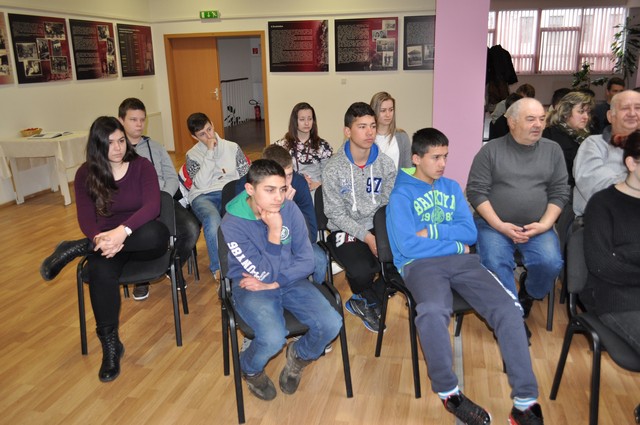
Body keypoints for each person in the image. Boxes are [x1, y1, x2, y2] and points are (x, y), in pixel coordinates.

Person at [387, 127, 543, 425]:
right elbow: (408, 245)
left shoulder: (451, 187)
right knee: (432, 312)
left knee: (509, 308)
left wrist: (435, 231)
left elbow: (470, 233)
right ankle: (450, 393)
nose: (443, 164)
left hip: (462, 262)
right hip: (420, 265)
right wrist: (455, 242)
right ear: (416, 158)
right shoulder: (401, 195)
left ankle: (525, 402)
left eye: (445, 156)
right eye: (435, 157)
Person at [40, 117, 169, 382]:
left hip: (140, 238)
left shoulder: (141, 166)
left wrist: (122, 232)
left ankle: (80, 247)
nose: (118, 148)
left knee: (157, 233)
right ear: (98, 145)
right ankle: (111, 347)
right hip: (105, 245)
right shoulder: (85, 174)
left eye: (121, 141)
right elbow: (86, 219)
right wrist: (100, 239)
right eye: (110, 143)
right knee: (99, 272)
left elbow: (152, 207)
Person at [220, 159, 342, 401]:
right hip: (251, 287)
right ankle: (250, 369)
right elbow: (263, 273)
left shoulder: (289, 208)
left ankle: (298, 357)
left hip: (289, 279)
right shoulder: (232, 224)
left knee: (332, 323)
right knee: (273, 338)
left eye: (282, 189)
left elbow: (308, 261)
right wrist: (275, 232)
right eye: (270, 190)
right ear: (250, 189)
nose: (279, 197)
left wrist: (276, 282)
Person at [467, 98, 570, 319]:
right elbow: (476, 192)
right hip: (493, 226)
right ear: (512, 122)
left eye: (542, 119)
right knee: (495, 262)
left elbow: (560, 192)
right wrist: (500, 225)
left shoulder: (553, 150)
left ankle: (529, 294)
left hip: (537, 226)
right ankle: (511, 315)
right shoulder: (490, 151)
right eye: (530, 119)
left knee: (550, 263)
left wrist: (544, 225)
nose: (538, 125)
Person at [322, 102, 396, 333]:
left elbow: (388, 204)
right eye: (362, 126)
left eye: (372, 126)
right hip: (344, 229)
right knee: (363, 271)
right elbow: (334, 213)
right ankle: (369, 296)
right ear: (348, 131)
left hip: (379, 225)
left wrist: (379, 234)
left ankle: (364, 300)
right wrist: (367, 237)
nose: (369, 132)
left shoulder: (385, 164)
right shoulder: (333, 168)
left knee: (404, 264)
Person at [582, 131, 640, 423]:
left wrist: (626, 254)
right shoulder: (603, 204)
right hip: (614, 298)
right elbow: (603, 265)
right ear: (632, 163)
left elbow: (618, 260)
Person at [118, 98, 201, 300]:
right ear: (121, 121)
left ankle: (171, 265)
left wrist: (163, 196)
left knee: (191, 229)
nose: (139, 124)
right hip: (135, 207)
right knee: (143, 236)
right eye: (133, 120)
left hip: (163, 199)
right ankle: (141, 278)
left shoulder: (155, 147)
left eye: (142, 119)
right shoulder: (115, 150)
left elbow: (171, 177)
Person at [234, 144, 327, 285]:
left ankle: (312, 290)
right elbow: (246, 235)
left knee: (318, 259)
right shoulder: (247, 187)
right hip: (260, 247)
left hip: (293, 242)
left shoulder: (299, 183)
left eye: (289, 175)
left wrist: (288, 210)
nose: (286, 182)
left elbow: (311, 235)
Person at [183, 112, 249, 278]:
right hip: (203, 196)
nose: (208, 136)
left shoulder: (232, 147)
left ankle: (247, 262)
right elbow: (201, 183)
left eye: (209, 129)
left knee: (244, 216)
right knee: (213, 219)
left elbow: (245, 175)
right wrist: (210, 153)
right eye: (202, 134)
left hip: (230, 191)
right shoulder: (191, 155)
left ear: (212, 124)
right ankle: (219, 269)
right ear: (194, 137)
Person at [573, 90, 640, 217]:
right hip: (601, 220)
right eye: (625, 108)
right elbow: (597, 188)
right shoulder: (593, 144)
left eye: (638, 108)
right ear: (610, 116)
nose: (632, 113)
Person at [275, 102, 332, 195]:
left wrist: (317, 184)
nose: (306, 123)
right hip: (290, 189)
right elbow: (275, 173)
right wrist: (297, 180)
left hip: (315, 190)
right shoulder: (282, 146)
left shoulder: (323, 146)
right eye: (302, 119)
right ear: (295, 121)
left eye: (310, 119)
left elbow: (329, 175)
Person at [542, 91, 594, 187]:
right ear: (566, 113)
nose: (586, 117)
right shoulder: (550, 136)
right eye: (581, 111)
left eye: (588, 112)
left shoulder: (585, 136)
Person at [369, 91, 412, 169]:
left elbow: (408, 168)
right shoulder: (366, 136)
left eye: (391, 110)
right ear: (374, 111)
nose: (388, 114)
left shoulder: (402, 136)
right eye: (383, 110)